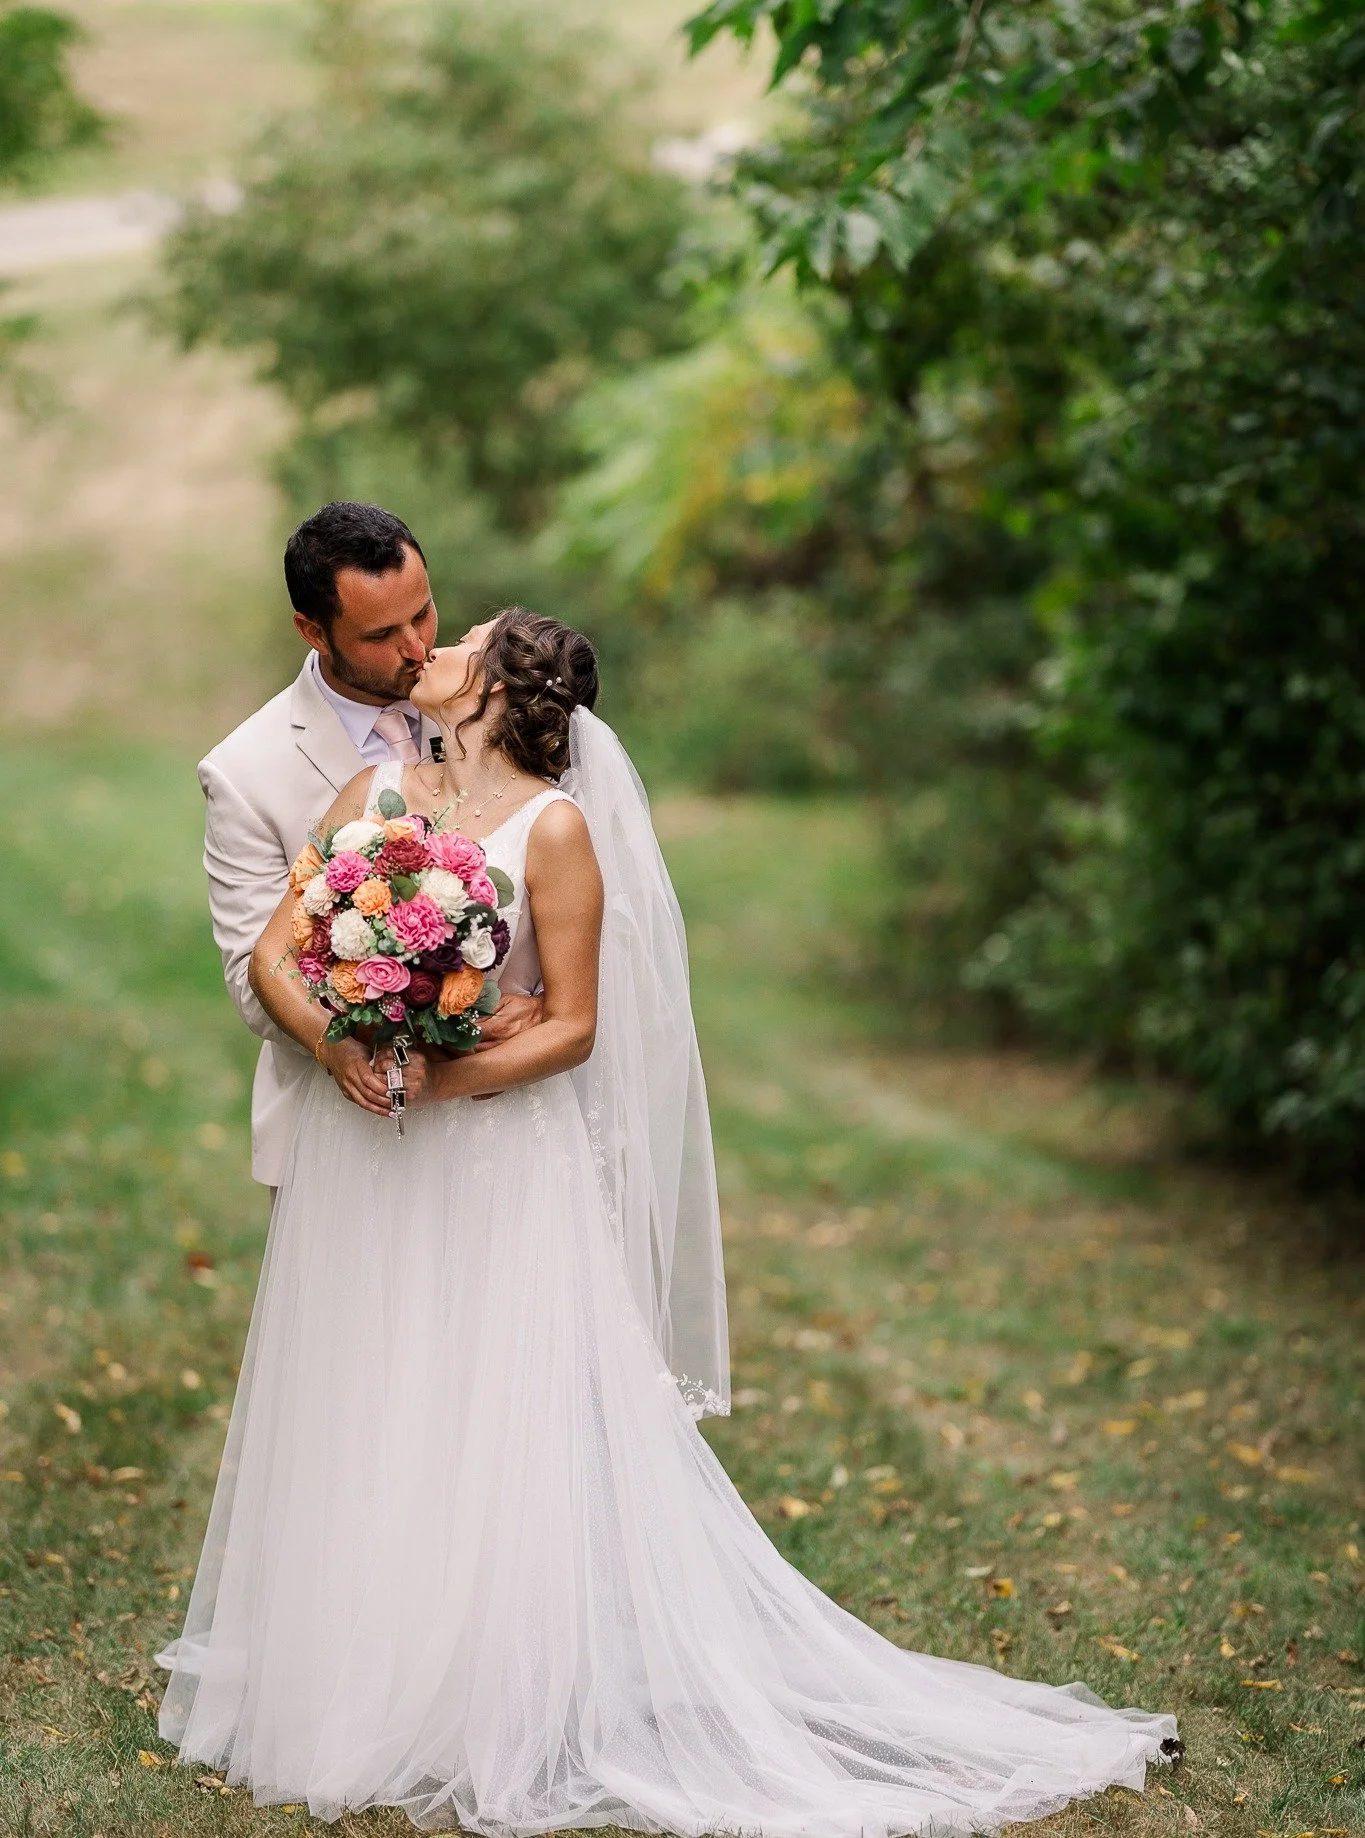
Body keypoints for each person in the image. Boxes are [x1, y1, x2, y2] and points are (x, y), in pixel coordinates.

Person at [157, 605, 1179, 1833]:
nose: (434, 647)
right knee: (380, 1388)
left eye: (461, 639)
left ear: (496, 691)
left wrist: (438, 1078)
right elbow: (282, 949)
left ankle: (490, 1688)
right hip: (369, 1158)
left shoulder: (557, 827)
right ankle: (362, 1668)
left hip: (492, 1165)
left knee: (490, 1411)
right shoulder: (375, 792)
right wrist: (344, 1044)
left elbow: (575, 1025)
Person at [197, 500, 539, 1187]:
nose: (415, 648)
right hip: (344, 1135)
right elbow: (252, 978)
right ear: (312, 630)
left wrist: (540, 1004)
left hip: (513, 1118)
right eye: (382, 633)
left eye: (424, 613)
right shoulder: (244, 772)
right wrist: (408, 1027)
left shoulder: (492, 704)